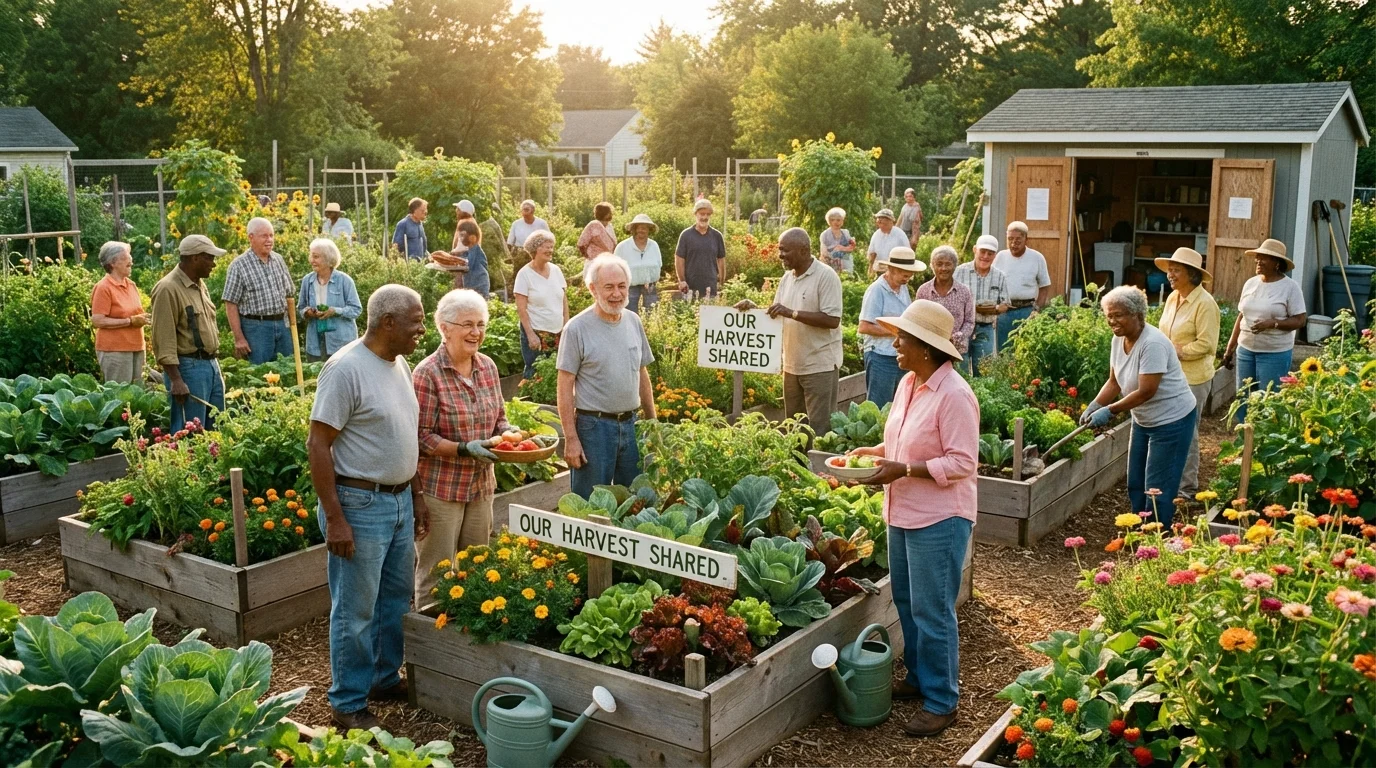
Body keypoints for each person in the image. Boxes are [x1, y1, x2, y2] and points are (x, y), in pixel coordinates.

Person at [847, 299, 976, 737]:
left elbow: (962, 462)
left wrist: (901, 469)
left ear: (925, 346)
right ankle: (921, 679)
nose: (895, 343)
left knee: (933, 610)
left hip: (939, 519)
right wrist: (875, 455)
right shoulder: (908, 383)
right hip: (901, 510)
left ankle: (943, 701)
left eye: (902, 338)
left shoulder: (955, 395)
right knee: (906, 603)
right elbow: (904, 443)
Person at [307, 284, 429, 731]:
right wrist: (335, 517)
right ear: (388, 323)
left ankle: (381, 677)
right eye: (415, 321)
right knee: (355, 609)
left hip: (396, 500)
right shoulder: (345, 370)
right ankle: (347, 700)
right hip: (358, 503)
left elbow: (404, 434)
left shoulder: (398, 363)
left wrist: (415, 496)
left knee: (394, 599)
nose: (422, 329)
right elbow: (318, 444)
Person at [412, 289, 511, 605]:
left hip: (481, 487)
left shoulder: (488, 367)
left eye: (481, 324)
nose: (476, 332)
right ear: (444, 326)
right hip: (441, 490)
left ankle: (469, 645)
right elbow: (420, 436)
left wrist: (514, 437)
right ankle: (431, 647)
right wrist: (464, 448)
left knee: (478, 568)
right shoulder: (427, 374)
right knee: (436, 574)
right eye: (468, 324)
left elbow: (500, 421)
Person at [1082, 286, 1197, 525]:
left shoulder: (1152, 343)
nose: (1113, 321)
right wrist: (1095, 404)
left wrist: (1110, 411)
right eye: (1109, 316)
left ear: (1137, 314)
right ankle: (1138, 525)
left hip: (1171, 421)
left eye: (1119, 315)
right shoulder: (1118, 339)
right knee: (1135, 481)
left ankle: (1156, 536)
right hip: (1143, 419)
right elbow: (1114, 382)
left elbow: (1146, 391)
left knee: (1158, 486)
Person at [557, 254, 655, 499]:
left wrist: (654, 424)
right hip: (594, 428)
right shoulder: (577, 328)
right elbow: (564, 386)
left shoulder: (633, 321)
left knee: (634, 502)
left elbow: (642, 372)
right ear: (593, 289)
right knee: (591, 504)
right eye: (608, 287)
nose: (616, 293)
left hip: (631, 426)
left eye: (622, 286)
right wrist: (571, 438)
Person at [734, 228, 843, 435]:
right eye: (779, 250)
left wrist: (792, 313)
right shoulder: (787, 278)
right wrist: (753, 308)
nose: (780, 255)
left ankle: (818, 468)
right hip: (792, 365)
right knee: (794, 428)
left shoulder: (826, 277)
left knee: (820, 429)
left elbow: (832, 320)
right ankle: (797, 467)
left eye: (785, 250)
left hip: (819, 365)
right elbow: (777, 314)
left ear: (803, 250)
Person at [1154, 248, 1220, 499]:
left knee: (1187, 432)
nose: (1170, 274)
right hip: (1170, 375)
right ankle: (1168, 481)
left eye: (1176, 270)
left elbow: (1207, 344)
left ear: (1192, 274)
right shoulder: (1173, 298)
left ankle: (1187, 488)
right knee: (1166, 429)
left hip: (1194, 378)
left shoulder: (1205, 304)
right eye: (1169, 269)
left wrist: (1177, 350)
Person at [1221, 238, 1307, 424]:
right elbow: (1241, 316)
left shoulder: (1290, 287)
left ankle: (1266, 444)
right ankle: (1245, 444)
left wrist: (1272, 324)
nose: (1258, 261)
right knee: (1244, 398)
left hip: (1274, 353)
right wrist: (1230, 349)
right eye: (1257, 257)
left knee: (1269, 399)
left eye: (1264, 258)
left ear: (1277, 263)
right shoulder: (1250, 283)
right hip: (1245, 350)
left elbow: (1300, 320)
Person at [150, 235, 226, 432]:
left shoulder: (199, 284)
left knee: (215, 430)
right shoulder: (168, 288)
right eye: (210, 258)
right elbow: (163, 338)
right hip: (188, 369)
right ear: (195, 258)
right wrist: (176, 380)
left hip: (210, 365)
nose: (214, 264)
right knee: (190, 433)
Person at [222, 217, 295, 365]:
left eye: (271, 235)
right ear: (251, 237)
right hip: (256, 328)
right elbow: (230, 304)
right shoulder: (238, 265)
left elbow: (289, 293)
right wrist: (239, 338)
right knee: (259, 373)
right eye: (264, 236)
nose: (269, 240)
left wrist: (291, 325)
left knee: (288, 369)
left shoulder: (278, 260)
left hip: (282, 324)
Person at [858, 247, 923, 406]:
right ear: (891, 269)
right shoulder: (877, 290)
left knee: (900, 405)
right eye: (904, 274)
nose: (908, 278)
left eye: (910, 274)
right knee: (879, 407)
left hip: (899, 355)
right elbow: (864, 327)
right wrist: (897, 332)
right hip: (880, 356)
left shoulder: (903, 288)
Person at [91, 241, 149, 383]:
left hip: (137, 346)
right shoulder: (104, 287)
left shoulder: (131, 285)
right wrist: (129, 321)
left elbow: (135, 313)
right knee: (119, 395)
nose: (131, 260)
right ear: (112, 263)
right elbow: (97, 320)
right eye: (126, 257)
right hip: (115, 351)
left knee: (138, 395)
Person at [513, 230, 568, 379]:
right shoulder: (524, 275)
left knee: (556, 373)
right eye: (546, 247)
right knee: (534, 373)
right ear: (535, 249)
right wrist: (530, 335)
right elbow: (521, 309)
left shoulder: (556, 271)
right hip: (536, 333)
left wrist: (567, 327)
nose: (550, 250)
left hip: (558, 332)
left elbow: (563, 300)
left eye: (551, 247)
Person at [298, 238, 363, 362]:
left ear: (328, 259)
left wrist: (335, 311)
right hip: (315, 342)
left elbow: (356, 309)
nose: (312, 260)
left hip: (340, 343)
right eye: (311, 256)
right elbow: (301, 308)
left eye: (316, 256)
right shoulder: (308, 281)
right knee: (316, 376)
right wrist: (308, 312)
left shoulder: (344, 280)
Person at [953, 234, 1011, 374]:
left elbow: (1006, 303)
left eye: (990, 253)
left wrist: (995, 309)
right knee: (960, 372)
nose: (985, 256)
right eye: (982, 252)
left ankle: (980, 397)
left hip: (985, 329)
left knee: (985, 373)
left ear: (995, 255)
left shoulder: (999, 276)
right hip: (961, 329)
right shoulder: (960, 272)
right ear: (975, 250)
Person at [992, 221, 1051, 349]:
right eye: (1010, 239)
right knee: (1004, 352)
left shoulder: (1037, 258)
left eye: (1018, 240)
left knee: (1026, 350)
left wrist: (1037, 310)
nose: (1013, 244)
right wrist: (995, 308)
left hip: (1027, 311)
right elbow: (991, 283)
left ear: (1026, 239)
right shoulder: (1000, 257)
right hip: (1005, 312)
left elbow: (1044, 286)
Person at [915, 246, 975, 368]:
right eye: (939, 264)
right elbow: (917, 320)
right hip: (930, 351)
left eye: (948, 264)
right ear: (932, 266)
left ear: (955, 266)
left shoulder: (964, 291)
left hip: (957, 351)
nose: (943, 268)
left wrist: (957, 337)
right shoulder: (923, 291)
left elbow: (969, 321)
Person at [675, 199, 726, 298]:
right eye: (702, 214)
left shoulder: (717, 236)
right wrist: (682, 280)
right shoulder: (686, 235)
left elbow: (721, 260)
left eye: (708, 214)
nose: (705, 217)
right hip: (690, 288)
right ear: (696, 214)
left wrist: (721, 282)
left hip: (711, 288)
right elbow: (679, 259)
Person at [616, 213, 662, 313]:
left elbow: (659, 264)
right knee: (630, 315)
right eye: (639, 227)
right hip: (630, 287)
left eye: (645, 228)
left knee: (651, 314)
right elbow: (615, 269)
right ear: (634, 229)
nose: (642, 230)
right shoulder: (623, 247)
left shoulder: (654, 245)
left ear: (649, 230)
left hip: (650, 287)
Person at [577, 202, 618, 281]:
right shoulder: (593, 225)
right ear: (603, 213)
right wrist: (588, 256)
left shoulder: (609, 226)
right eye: (609, 213)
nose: (611, 215)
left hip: (608, 262)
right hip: (594, 261)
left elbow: (614, 244)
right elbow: (581, 243)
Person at [866, 208, 909, 276]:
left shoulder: (900, 235)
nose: (882, 226)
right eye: (879, 224)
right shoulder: (876, 235)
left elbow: (907, 253)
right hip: (880, 269)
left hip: (897, 270)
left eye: (884, 224)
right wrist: (870, 267)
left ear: (891, 222)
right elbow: (872, 253)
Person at [453, 221, 490, 298]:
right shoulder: (466, 251)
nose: (459, 239)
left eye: (462, 235)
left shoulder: (475, 250)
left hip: (480, 287)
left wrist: (459, 250)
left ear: (472, 238)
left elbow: (467, 264)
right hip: (470, 287)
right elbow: (460, 262)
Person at [819, 207, 857, 274]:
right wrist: (834, 256)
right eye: (833, 220)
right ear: (829, 221)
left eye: (838, 220)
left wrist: (841, 248)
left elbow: (851, 248)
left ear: (842, 221)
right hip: (830, 262)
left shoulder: (845, 233)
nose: (836, 222)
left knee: (847, 274)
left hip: (845, 260)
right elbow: (824, 253)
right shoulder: (824, 234)